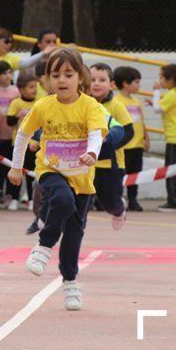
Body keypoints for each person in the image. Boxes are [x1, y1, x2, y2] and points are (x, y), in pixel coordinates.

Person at [8, 48, 107, 311]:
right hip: (51, 169)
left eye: (68, 74)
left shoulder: (90, 106)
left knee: (74, 234)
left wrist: (91, 152)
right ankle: (43, 245)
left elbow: (97, 132)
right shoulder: (43, 106)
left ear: (81, 77)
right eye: (55, 75)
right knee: (62, 201)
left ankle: (70, 282)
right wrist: (16, 167)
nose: (62, 80)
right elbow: (22, 135)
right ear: (47, 79)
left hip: (83, 178)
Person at [88, 63, 133, 229]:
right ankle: (77, 229)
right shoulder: (83, 104)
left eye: (102, 80)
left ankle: (119, 209)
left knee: (109, 202)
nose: (96, 83)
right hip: (86, 162)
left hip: (111, 164)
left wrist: (109, 146)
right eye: (92, 80)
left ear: (111, 84)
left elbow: (129, 132)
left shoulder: (116, 106)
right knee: (82, 201)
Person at [149, 64, 176, 212]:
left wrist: (156, 92)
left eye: (162, 77)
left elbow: (157, 109)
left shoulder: (173, 94)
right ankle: (174, 200)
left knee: (172, 170)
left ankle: (175, 202)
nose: (160, 81)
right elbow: (164, 107)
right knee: (172, 168)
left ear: (171, 79)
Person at [113, 66, 149, 212]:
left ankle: (133, 199)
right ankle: (117, 199)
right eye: (136, 82)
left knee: (136, 174)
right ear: (126, 84)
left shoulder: (137, 102)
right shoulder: (117, 101)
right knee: (121, 174)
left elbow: (141, 121)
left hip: (137, 145)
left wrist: (146, 138)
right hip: (124, 146)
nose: (139, 85)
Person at [6, 73, 39, 208]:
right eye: (31, 87)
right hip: (19, 144)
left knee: (31, 172)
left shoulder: (39, 103)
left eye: (35, 86)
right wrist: (18, 115)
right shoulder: (16, 103)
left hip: (34, 144)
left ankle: (32, 199)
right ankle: (15, 198)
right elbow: (9, 121)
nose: (34, 90)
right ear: (21, 89)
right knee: (17, 169)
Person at [0, 60, 21, 209]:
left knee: (13, 166)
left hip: (13, 136)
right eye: (3, 73)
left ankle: (12, 196)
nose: (7, 76)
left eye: (9, 72)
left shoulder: (16, 91)